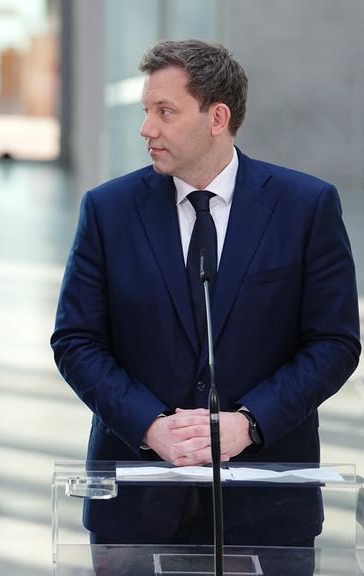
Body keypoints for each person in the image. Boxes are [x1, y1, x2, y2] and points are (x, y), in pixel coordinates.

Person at [51, 39, 360, 559]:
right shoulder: (107, 210)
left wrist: (249, 423)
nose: (147, 128)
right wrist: (151, 427)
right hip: (136, 504)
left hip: (267, 503)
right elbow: (76, 340)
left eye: (164, 112)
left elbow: (333, 343)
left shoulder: (306, 207)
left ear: (217, 117)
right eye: (146, 111)